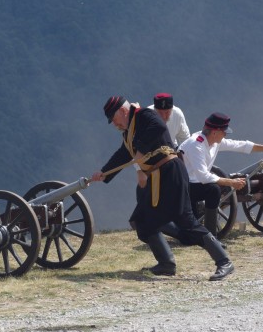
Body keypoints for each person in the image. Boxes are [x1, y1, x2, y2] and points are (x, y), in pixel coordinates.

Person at [91, 96, 234, 281]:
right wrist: (104, 172)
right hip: (157, 177)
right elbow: (124, 154)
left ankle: (224, 261)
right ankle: (166, 264)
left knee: (186, 221)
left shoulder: (145, 115)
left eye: (113, 119)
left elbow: (159, 127)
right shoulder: (128, 133)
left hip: (171, 172)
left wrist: (141, 149)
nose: (114, 124)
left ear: (122, 112)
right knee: (142, 222)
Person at [178, 112, 263, 235]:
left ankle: (209, 236)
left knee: (214, 189)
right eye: (224, 132)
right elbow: (203, 176)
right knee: (213, 190)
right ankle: (210, 235)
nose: (225, 135)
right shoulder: (196, 145)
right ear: (215, 132)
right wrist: (231, 182)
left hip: (196, 184)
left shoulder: (213, 141)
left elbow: (240, 145)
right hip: (184, 187)